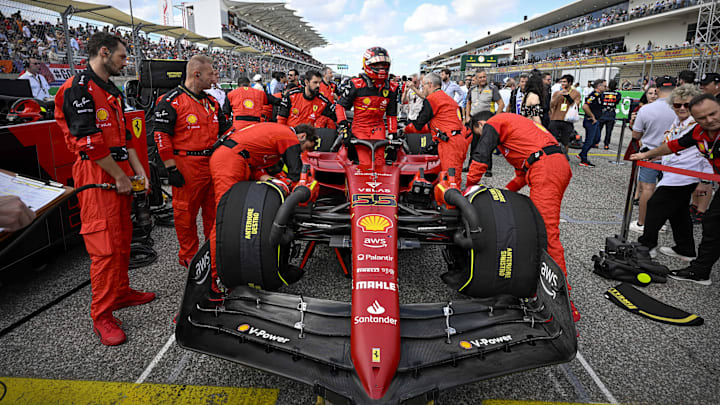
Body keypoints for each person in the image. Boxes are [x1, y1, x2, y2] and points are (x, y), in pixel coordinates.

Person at [54, 32, 155, 346]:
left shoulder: (112, 90)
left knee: (124, 238)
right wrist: (120, 177)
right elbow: (90, 143)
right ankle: (102, 315)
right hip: (96, 174)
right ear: (103, 52)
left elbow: (124, 140)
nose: (125, 62)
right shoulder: (77, 89)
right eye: (122, 57)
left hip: (119, 169)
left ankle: (121, 292)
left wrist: (139, 171)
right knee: (105, 248)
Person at [465, 111, 578, 322]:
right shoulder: (517, 131)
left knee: (547, 234)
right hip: (551, 165)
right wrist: (499, 197)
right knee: (538, 229)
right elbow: (520, 176)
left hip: (546, 169)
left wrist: (469, 187)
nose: (483, 136)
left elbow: (481, 155)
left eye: (479, 132)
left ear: (481, 123)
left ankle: (563, 303)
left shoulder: (495, 122)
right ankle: (540, 285)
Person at [208, 123, 318, 294]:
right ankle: (213, 277)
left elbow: (260, 164)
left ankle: (232, 266)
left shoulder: (273, 137)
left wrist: (272, 180)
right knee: (225, 218)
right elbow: (296, 174)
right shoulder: (287, 136)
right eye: (304, 147)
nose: (301, 151)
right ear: (302, 136)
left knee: (237, 216)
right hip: (230, 162)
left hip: (238, 160)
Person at [630, 93, 720, 285]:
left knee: (710, 223)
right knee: (700, 219)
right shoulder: (698, 131)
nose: (709, 120)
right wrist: (646, 154)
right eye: (702, 118)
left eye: (713, 114)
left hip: (686, 174)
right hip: (681, 173)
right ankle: (695, 263)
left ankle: (652, 247)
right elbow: (672, 146)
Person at [153, 55, 233, 268]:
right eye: (210, 74)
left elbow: (227, 132)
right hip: (186, 166)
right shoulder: (171, 101)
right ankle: (189, 257)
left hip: (213, 163)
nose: (214, 79)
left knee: (213, 212)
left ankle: (213, 253)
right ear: (196, 75)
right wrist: (170, 168)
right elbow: (161, 136)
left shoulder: (212, 101)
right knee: (185, 214)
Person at [637, 84, 710, 261]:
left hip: (686, 175)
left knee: (655, 205)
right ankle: (685, 249)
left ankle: (647, 245)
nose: (682, 108)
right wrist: (658, 159)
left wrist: (705, 180)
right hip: (673, 171)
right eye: (677, 105)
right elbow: (674, 146)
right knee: (679, 213)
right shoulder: (678, 121)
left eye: (687, 104)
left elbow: (708, 153)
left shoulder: (699, 125)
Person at [629, 76, 677, 233]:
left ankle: (643, 223)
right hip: (673, 154)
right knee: (668, 190)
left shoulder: (646, 109)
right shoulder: (681, 108)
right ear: (675, 88)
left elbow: (636, 135)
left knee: (647, 189)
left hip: (649, 153)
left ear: (657, 89)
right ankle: (661, 224)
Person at [335, 47, 399, 165]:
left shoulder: (392, 87)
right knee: (365, 162)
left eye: (384, 65)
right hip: (360, 128)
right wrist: (344, 127)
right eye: (377, 65)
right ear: (367, 64)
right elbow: (340, 106)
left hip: (378, 127)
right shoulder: (356, 84)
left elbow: (392, 113)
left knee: (380, 162)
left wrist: (392, 132)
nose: (381, 69)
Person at [404, 73, 468, 177]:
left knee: (450, 178)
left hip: (449, 143)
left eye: (423, 85)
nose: (422, 89)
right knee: (451, 174)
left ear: (430, 84)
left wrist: (404, 130)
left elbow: (418, 124)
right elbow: (433, 125)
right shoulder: (448, 99)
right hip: (458, 140)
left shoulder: (432, 99)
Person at [549, 74, 581, 153]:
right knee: (552, 140)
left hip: (567, 120)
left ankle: (564, 157)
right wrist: (558, 95)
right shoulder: (557, 92)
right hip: (555, 119)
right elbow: (551, 104)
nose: (562, 83)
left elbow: (576, 105)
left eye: (564, 82)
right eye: (561, 82)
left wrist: (568, 97)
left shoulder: (576, 93)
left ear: (570, 83)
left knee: (565, 141)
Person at [578, 79, 607, 167]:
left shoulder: (600, 95)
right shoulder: (594, 95)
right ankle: (583, 159)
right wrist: (592, 116)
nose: (606, 88)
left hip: (596, 121)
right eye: (604, 86)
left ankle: (582, 153)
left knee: (596, 139)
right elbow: (585, 106)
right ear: (599, 86)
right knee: (589, 140)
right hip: (590, 121)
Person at [599, 79, 621, 149]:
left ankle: (596, 143)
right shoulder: (618, 94)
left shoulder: (603, 94)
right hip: (611, 114)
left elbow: (601, 101)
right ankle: (606, 144)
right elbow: (617, 102)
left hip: (603, 113)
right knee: (609, 131)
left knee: (599, 129)